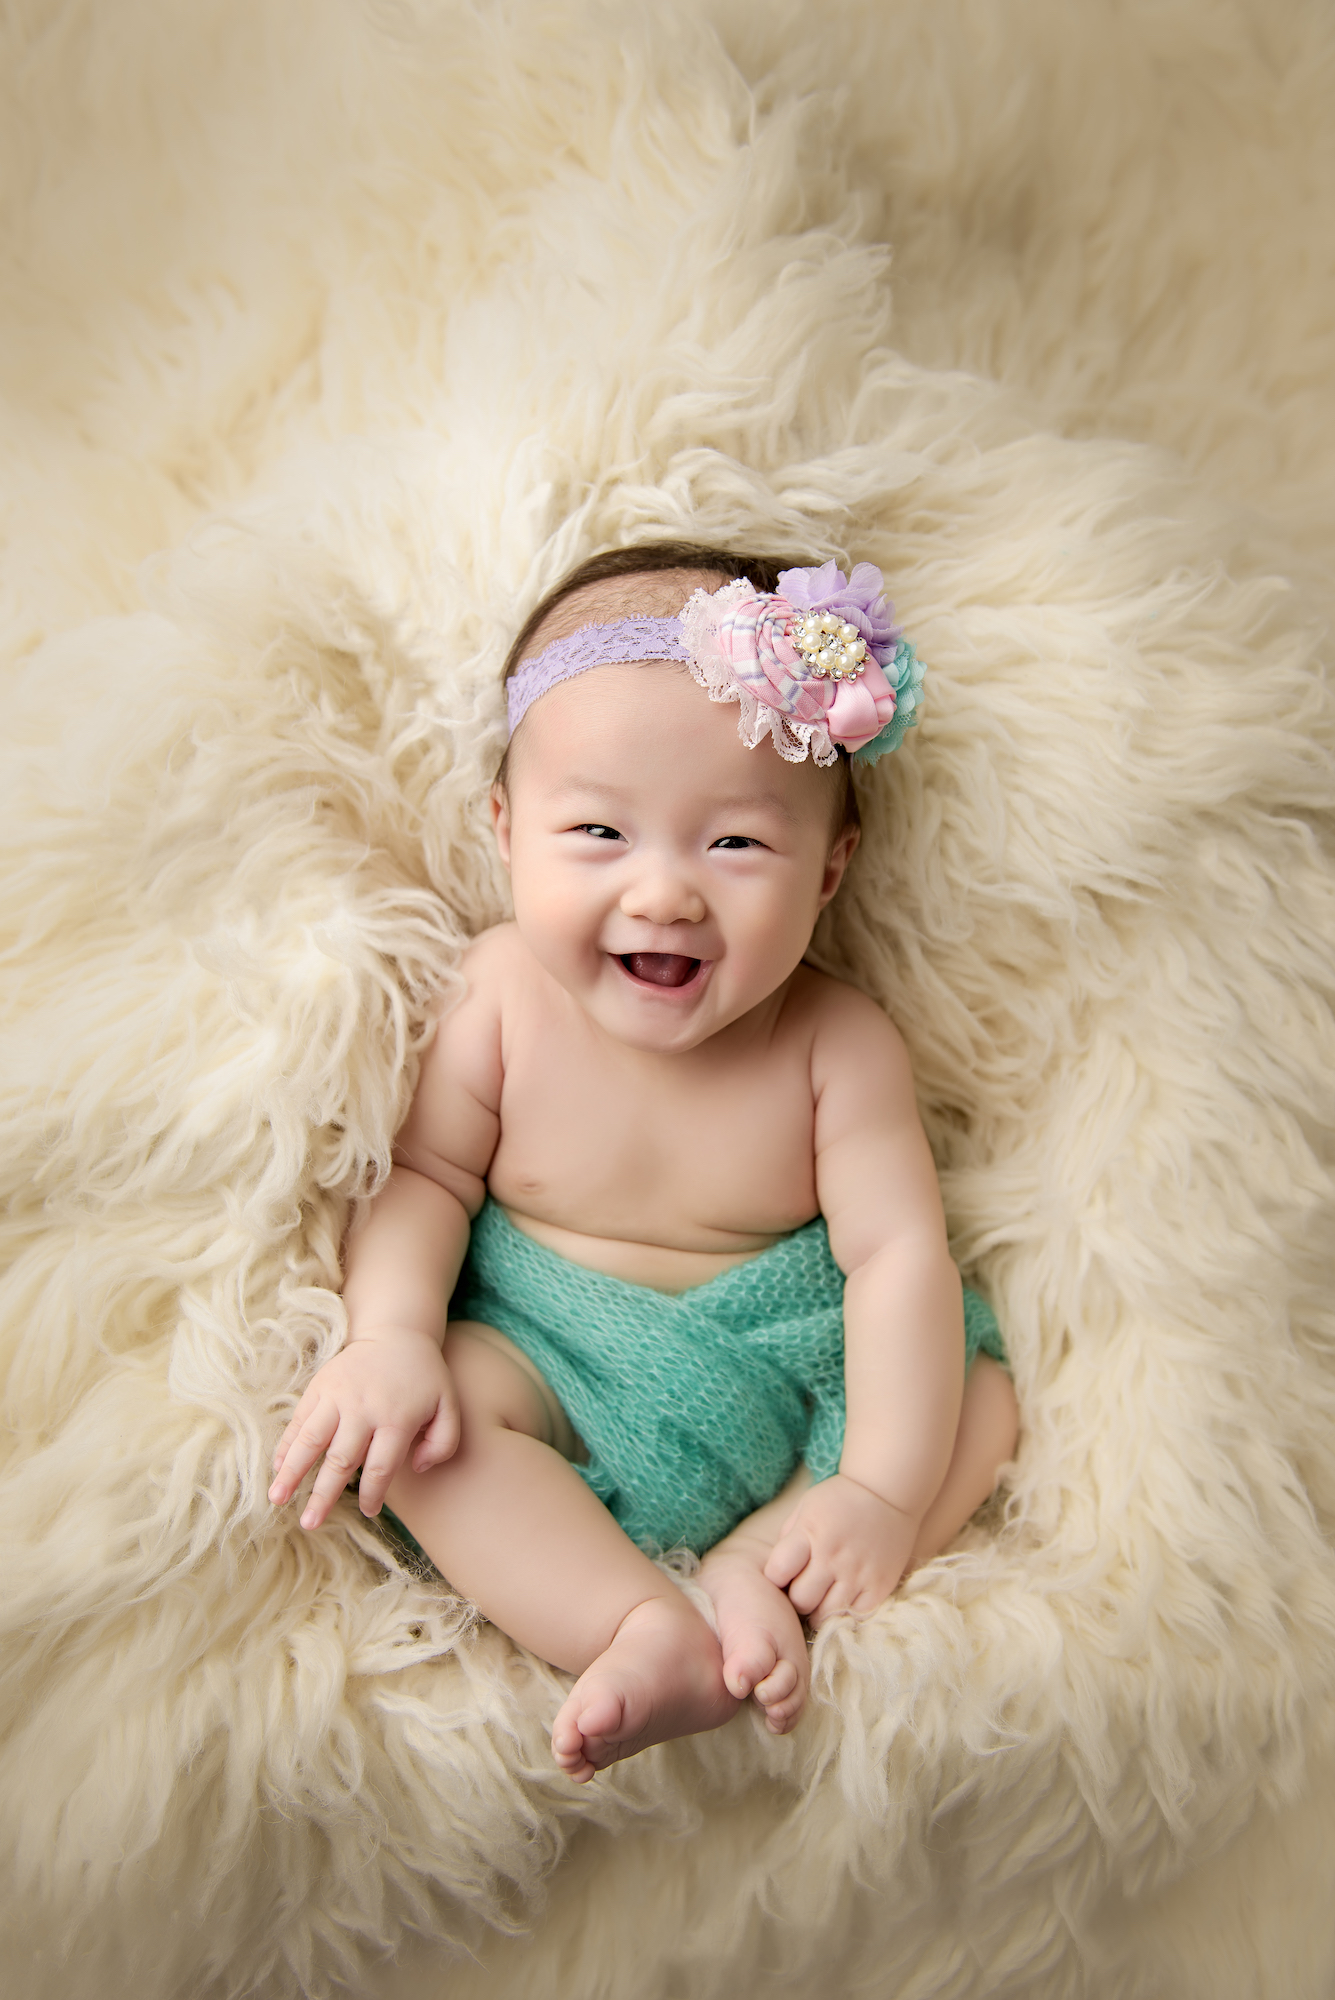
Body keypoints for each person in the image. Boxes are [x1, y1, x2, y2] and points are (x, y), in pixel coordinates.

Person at [268, 542, 1020, 1783]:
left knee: (976, 1397)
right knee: (432, 1427)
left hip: (782, 1377)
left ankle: (764, 1565)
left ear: (829, 870)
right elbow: (427, 1182)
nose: (664, 892)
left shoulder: (841, 1043)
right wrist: (390, 1334)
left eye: (734, 844)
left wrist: (879, 1488)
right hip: (552, 1359)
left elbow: (897, 1260)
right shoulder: (498, 994)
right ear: (508, 832)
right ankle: (636, 1621)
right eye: (599, 830)